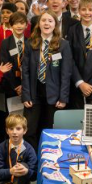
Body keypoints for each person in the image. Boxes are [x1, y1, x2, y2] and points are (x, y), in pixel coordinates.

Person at [22, 10, 72, 146]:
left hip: (54, 95)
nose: (46, 23)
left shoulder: (63, 45)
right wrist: (26, 95)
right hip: (34, 93)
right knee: (29, 130)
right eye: (43, 20)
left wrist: (63, 98)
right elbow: (25, 71)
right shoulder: (30, 43)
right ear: (39, 23)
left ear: (55, 24)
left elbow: (66, 73)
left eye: (50, 21)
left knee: (50, 130)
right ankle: (32, 157)